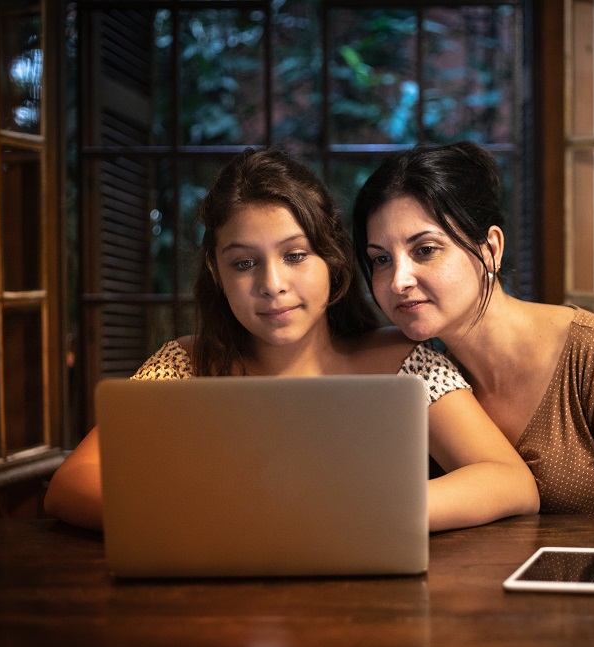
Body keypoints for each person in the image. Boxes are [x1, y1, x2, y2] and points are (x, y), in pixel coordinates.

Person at [44, 147, 539, 532]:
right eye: (244, 263)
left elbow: (509, 481)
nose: (272, 284)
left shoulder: (400, 362)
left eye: (296, 256)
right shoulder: (187, 364)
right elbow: (71, 484)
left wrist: (366, 511)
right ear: (217, 273)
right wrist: (215, 518)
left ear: (334, 261)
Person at [352, 141, 594, 514]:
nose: (398, 280)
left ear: (491, 250)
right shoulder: (421, 376)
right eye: (381, 259)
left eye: (426, 250)